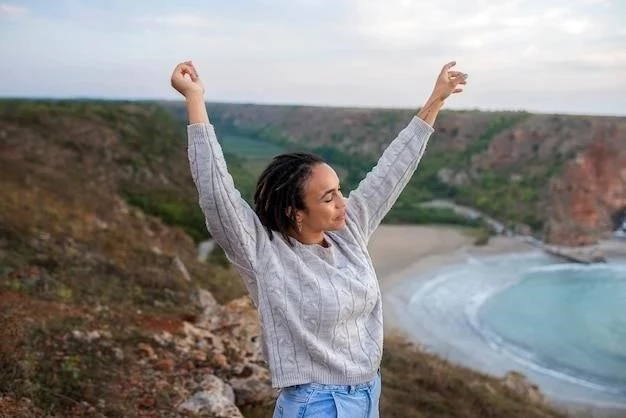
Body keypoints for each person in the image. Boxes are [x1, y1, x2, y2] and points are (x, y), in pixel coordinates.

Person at [170, 60, 467, 418]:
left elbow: (391, 172)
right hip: (317, 405)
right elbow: (216, 192)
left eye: (339, 191)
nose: (344, 203)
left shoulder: (347, 231)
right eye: (328, 198)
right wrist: (195, 98)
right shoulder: (265, 254)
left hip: (367, 394)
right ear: (297, 211)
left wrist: (435, 99)